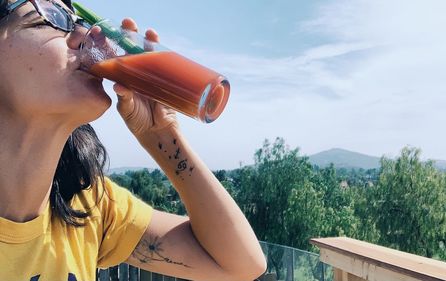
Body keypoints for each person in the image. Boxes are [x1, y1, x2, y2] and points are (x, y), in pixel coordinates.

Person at [0, 0, 267, 280]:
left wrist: (161, 137)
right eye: (53, 17)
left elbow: (241, 264)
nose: (89, 36)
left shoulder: (90, 208)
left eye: (80, 22)